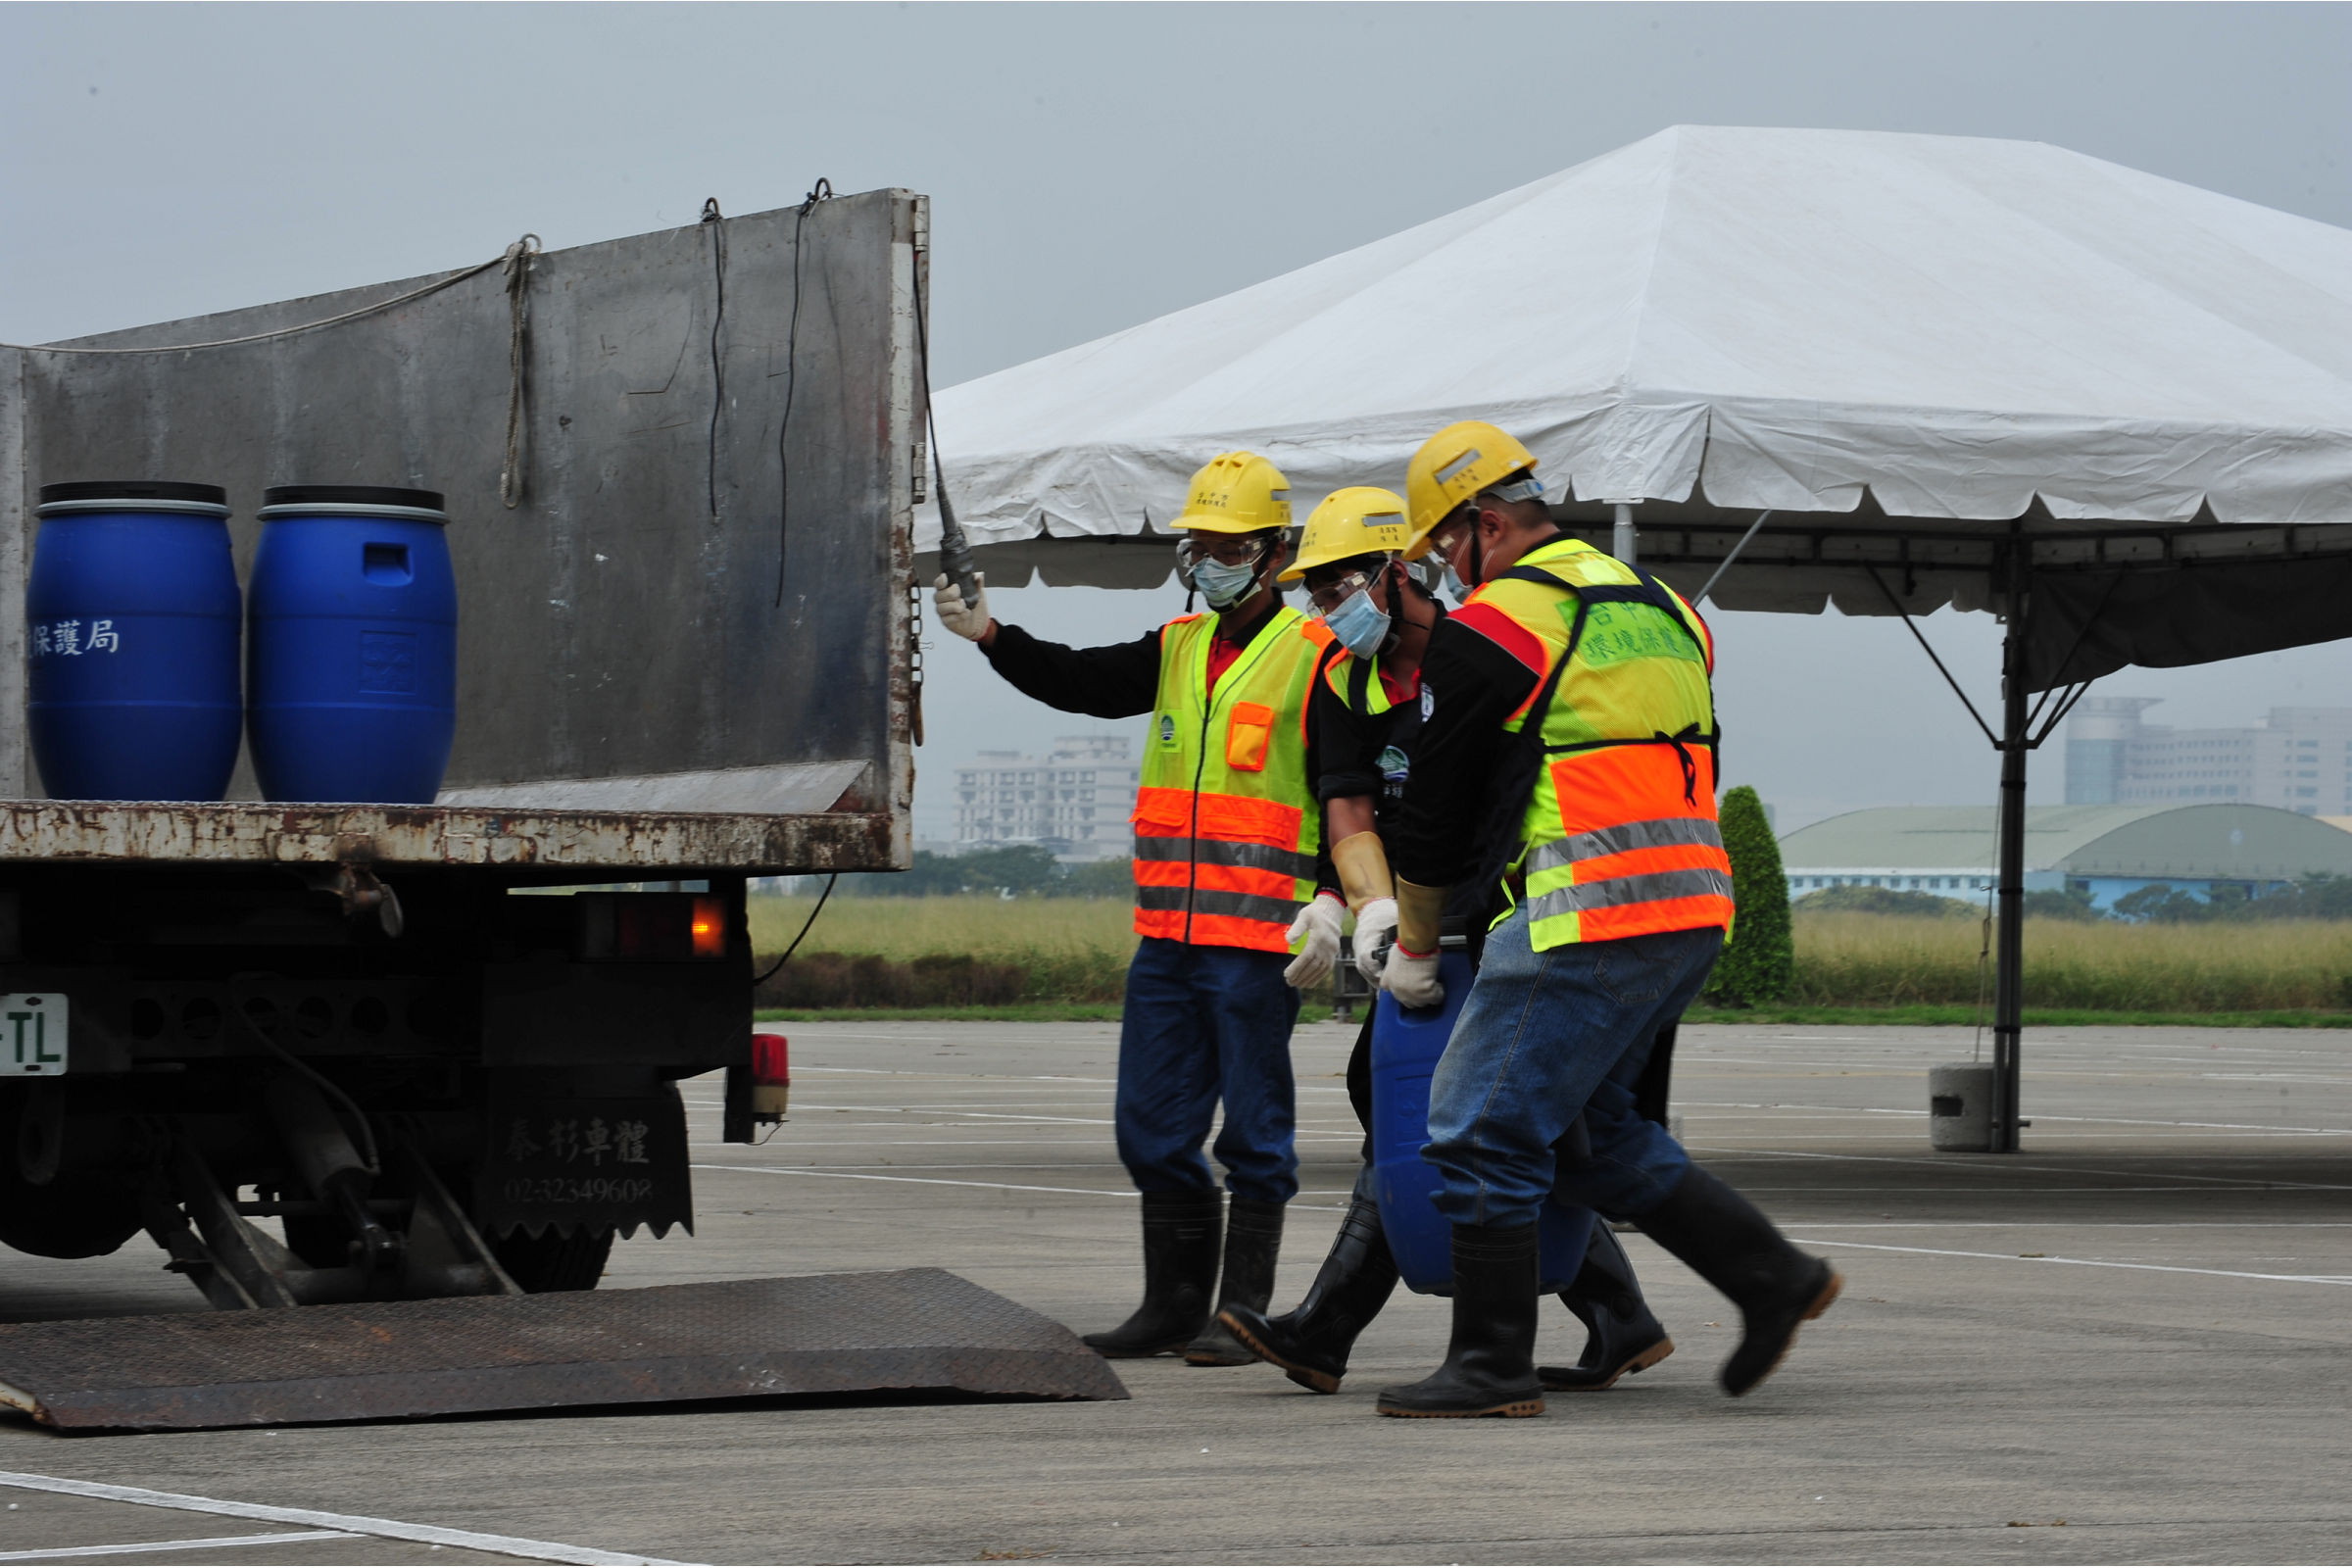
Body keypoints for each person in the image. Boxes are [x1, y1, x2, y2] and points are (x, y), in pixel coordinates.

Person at [1371, 420, 1842, 1419]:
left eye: (1445, 552)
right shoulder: (1670, 607)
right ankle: (1773, 1277)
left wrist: (1414, 942)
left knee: (1477, 1125)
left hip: (1587, 909)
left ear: (1486, 525)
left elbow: (1439, 810)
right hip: (1692, 902)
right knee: (1590, 1134)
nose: (1446, 578)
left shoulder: (1500, 624)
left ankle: (1492, 1364)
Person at [1213, 486, 1675, 1396]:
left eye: (1341, 580)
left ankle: (1334, 1327)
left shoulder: (1491, 653)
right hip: (1423, 929)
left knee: (1474, 1118)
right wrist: (1353, 904)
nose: (1325, 604)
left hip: (1514, 923)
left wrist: (1425, 917)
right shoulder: (1343, 679)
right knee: (1447, 1113)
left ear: (1401, 570)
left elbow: (1506, 803)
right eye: (1315, 588)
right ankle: (1613, 1313)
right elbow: (1349, 804)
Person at [932, 451, 1340, 1365]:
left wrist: (1333, 895)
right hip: (1169, 941)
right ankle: (1172, 1307)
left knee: (1256, 1136)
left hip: (1258, 945)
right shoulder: (1176, 646)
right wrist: (994, 635)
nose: (1206, 560)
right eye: (1197, 543)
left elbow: (1351, 793)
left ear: (1274, 553)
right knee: (1150, 1131)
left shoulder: (1317, 660)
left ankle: (1241, 1312)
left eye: (1227, 545)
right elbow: (1080, 679)